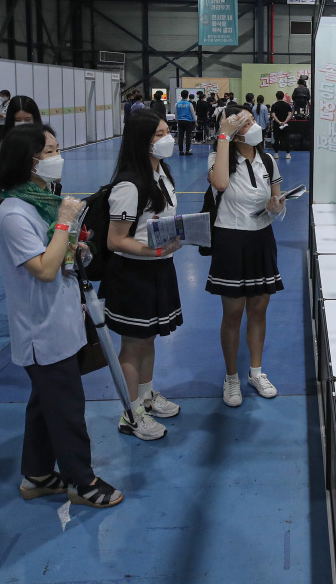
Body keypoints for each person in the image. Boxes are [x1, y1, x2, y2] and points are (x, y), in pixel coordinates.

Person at [0, 124, 123, 508]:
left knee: (44, 403)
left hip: (62, 317)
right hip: (42, 326)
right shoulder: (14, 213)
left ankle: (36, 475)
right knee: (66, 408)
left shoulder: (40, 202)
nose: (57, 158)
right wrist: (65, 221)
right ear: (28, 160)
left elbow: (59, 257)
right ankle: (82, 482)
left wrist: (76, 250)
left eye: (56, 149)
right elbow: (44, 269)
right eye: (49, 151)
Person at [101, 110, 184, 441]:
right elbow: (115, 240)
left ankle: (146, 396)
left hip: (158, 267)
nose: (168, 138)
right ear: (142, 141)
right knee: (132, 345)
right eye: (159, 134)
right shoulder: (129, 184)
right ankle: (131, 412)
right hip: (133, 274)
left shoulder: (161, 172)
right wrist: (154, 252)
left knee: (148, 338)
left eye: (167, 131)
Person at [207, 106, 286, 408]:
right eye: (245, 122)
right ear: (232, 129)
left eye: (252, 120)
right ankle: (231, 378)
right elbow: (221, 184)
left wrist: (277, 206)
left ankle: (256, 371)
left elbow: (275, 198)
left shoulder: (267, 159)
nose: (253, 126)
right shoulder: (218, 158)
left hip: (261, 239)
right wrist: (223, 136)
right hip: (231, 239)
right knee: (233, 313)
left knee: (259, 309)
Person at [271, 91, 295, 160]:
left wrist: (279, 122)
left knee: (276, 140)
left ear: (276, 97)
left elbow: (273, 115)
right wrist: (284, 122)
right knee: (287, 139)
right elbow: (290, 115)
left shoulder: (274, 105)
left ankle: (276, 154)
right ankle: (288, 154)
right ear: (283, 96)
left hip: (276, 125)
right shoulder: (287, 105)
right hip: (285, 125)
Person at [173, 90, 196, 156]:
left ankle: (181, 151)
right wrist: (195, 121)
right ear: (187, 96)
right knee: (188, 136)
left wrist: (177, 121)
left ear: (181, 95)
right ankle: (187, 151)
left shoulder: (177, 104)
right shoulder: (189, 104)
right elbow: (193, 114)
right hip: (188, 121)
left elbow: (176, 114)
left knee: (180, 136)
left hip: (180, 121)